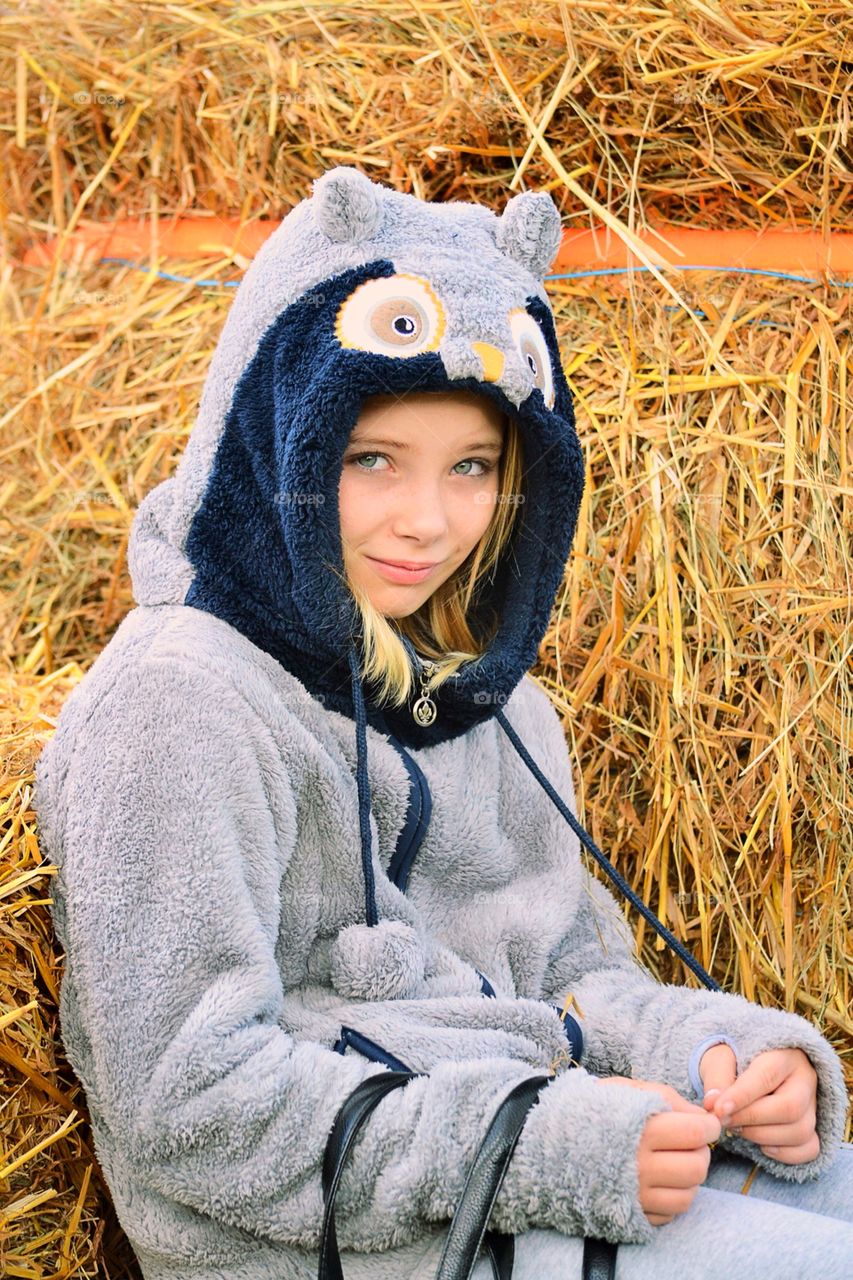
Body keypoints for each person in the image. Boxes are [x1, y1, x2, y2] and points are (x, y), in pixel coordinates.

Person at [33, 165, 851, 1280]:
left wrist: (715, 1053)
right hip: (325, 1240)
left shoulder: (494, 701)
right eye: (373, 459)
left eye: (471, 467)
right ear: (280, 439)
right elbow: (188, 1100)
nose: (429, 522)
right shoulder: (180, 704)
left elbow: (568, 968)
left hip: (547, 1151)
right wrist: (529, 1143)